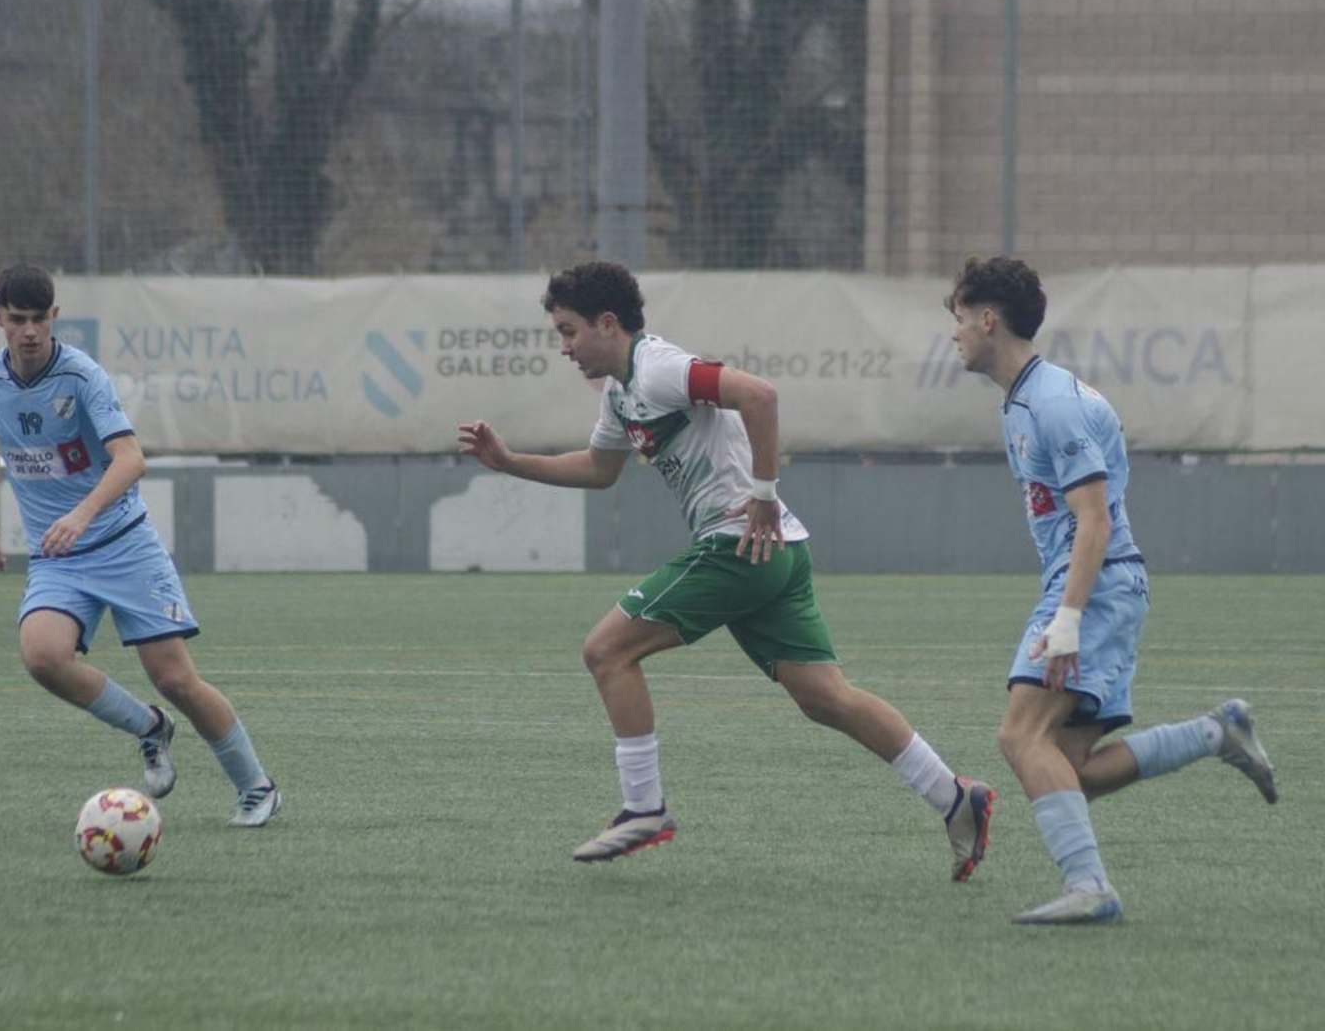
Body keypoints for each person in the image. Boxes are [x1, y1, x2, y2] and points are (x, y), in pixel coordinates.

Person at [459, 260, 995, 876]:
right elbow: (599, 470)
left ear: (608, 323)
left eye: (569, 330)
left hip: (739, 543)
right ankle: (955, 797)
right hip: (778, 551)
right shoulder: (621, 390)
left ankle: (643, 808)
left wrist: (763, 489)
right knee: (825, 698)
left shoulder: (659, 368)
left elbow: (758, 395)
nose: (564, 347)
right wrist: (508, 461)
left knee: (607, 651)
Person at [945, 255, 1278, 925]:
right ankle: (1215, 733)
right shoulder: (1026, 400)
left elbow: (1093, 521)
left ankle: (1091, 887)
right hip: (1098, 587)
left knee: (1019, 738)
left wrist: (1066, 620)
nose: (953, 335)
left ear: (988, 319)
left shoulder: (1055, 404)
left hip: (1093, 588)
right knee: (1070, 770)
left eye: (957, 319)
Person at [0, 263, 280, 827]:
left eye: (40, 318)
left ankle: (256, 786)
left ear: (55, 317)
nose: (30, 331)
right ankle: (149, 727)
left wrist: (82, 515)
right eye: (17, 320)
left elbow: (131, 460)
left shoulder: (83, 377)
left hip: (123, 544)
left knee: (176, 679)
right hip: (58, 559)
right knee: (42, 657)